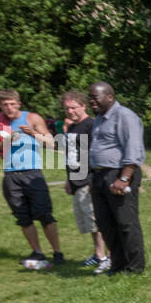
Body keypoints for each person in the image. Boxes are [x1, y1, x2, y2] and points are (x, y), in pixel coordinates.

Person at [0, 89, 64, 270]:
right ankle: (37, 251)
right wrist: (4, 142)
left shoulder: (32, 118)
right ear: (0, 106)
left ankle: (57, 252)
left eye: (12, 104)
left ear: (18, 103)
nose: (9, 108)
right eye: (4, 104)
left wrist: (32, 133)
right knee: (22, 216)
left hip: (32, 173)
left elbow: (51, 143)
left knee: (44, 214)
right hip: (10, 174)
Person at [87, 82, 146, 274]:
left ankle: (135, 266)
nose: (91, 101)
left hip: (119, 174)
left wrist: (124, 178)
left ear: (110, 97)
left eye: (95, 97)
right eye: (90, 97)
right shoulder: (99, 119)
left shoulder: (124, 116)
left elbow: (133, 148)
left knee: (126, 222)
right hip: (99, 176)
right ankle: (118, 264)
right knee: (106, 223)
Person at [60, 90, 110, 272]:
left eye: (73, 107)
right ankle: (98, 254)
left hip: (88, 182)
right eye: (67, 108)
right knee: (90, 224)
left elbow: (95, 155)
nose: (70, 111)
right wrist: (69, 179)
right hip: (76, 181)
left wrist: (92, 181)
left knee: (98, 222)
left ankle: (109, 257)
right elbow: (72, 156)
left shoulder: (91, 125)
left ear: (83, 106)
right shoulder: (72, 128)